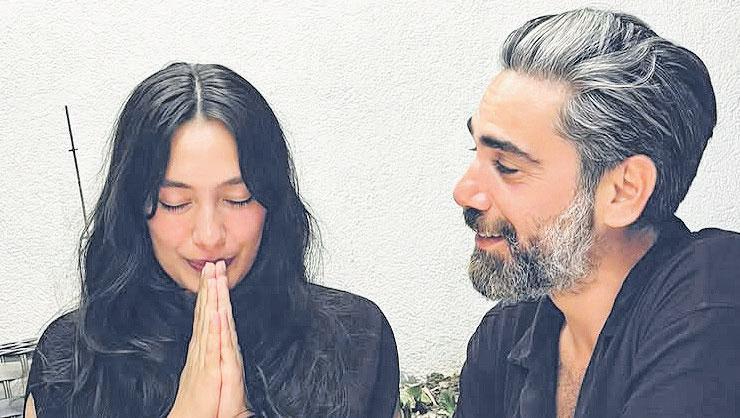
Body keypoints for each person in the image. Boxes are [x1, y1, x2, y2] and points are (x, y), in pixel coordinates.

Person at [23, 63, 399, 418]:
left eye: (238, 199)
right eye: (175, 203)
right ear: (133, 209)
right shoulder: (68, 361)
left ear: (273, 203)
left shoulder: (358, 339)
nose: (209, 235)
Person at [452, 8, 740, 418]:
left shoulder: (713, 301)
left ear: (624, 191)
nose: (464, 193)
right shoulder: (504, 338)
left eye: (507, 166)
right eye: (475, 152)